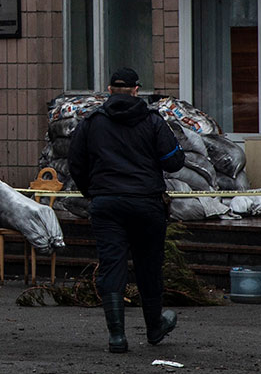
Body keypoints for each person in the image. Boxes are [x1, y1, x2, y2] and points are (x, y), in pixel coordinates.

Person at [66, 67, 186, 354]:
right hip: (147, 204)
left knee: (112, 265)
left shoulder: (92, 122)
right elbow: (174, 162)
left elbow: (75, 164)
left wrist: (93, 193)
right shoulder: (152, 121)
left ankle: (117, 337)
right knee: (149, 266)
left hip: (107, 205)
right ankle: (154, 327)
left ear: (108, 90)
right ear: (136, 90)